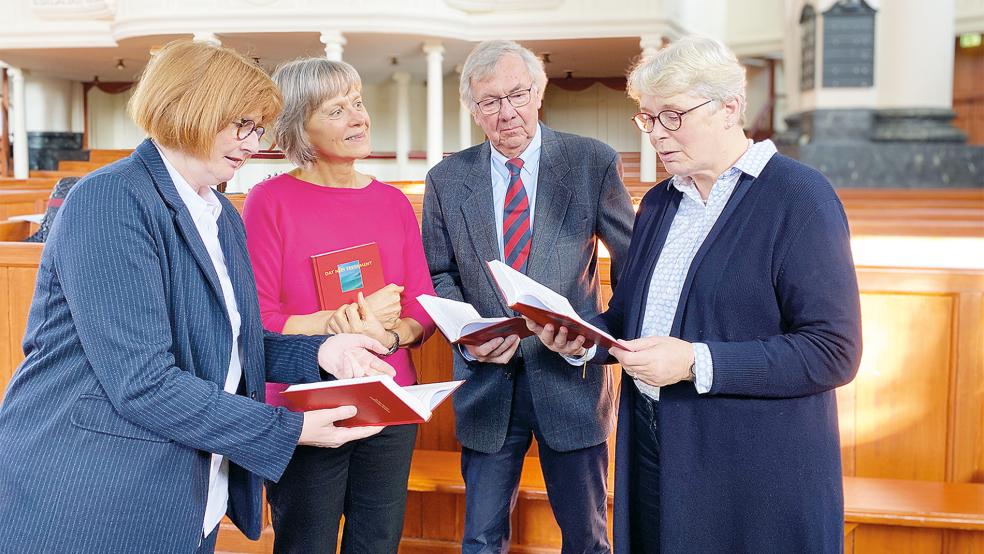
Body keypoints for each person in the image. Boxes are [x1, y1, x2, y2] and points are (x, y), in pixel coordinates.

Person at [0, 40, 394, 554]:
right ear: (191, 110)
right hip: (95, 486)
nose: (254, 144)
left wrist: (322, 351)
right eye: (242, 126)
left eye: (258, 129)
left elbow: (227, 339)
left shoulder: (221, 212)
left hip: (186, 483)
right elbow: (142, 381)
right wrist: (290, 428)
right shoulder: (111, 200)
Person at [529, 36, 863, 553]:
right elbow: (631, 317)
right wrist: (582, 341)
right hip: (655, 440)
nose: (656, 135)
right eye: (647, 118)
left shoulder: (798, 197)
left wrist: (694, 363)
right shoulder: (661, 202)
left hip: (752, 464)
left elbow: (833, 352)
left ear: (730, 109)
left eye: (672, 117)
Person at [421, 39, 635, 553]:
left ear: (539, 92)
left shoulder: (592, 162)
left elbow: (634, 266)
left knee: (586, 538)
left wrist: (596, 341)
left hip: (572, 380)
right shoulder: (447, 179)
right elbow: (438, 273)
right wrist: (467, 339)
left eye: (517, 94)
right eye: (489, 101)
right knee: (480, 538)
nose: (507, 112)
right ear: (473, 109)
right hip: (488, 385)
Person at [242, 57, 437, 554]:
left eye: (358, 103)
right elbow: (259, 319)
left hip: (390, 395)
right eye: (336, 110)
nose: (358, 118)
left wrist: (388, 336)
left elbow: (423, 305)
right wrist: (339, 325)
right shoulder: (269, 202)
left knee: (377, 541)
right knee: (306, 541)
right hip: (307, 403)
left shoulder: (392, 202)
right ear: (299, 127)